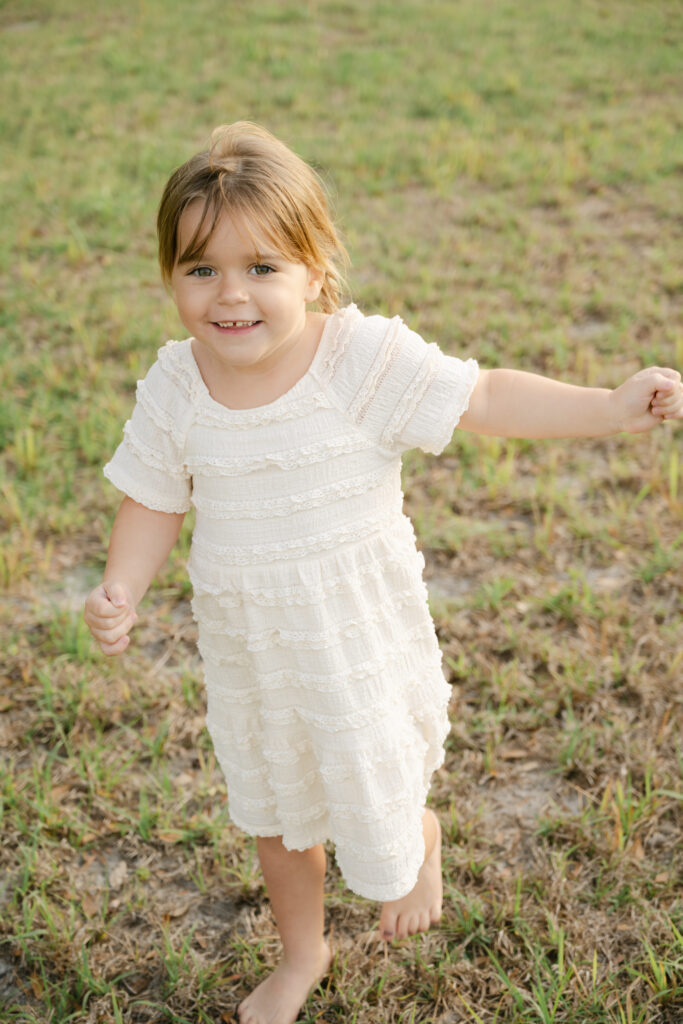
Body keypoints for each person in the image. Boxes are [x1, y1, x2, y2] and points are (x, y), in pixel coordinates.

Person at [83, 121, 683, 1024]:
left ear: (315, 271)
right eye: (201, 269)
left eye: (261, 269)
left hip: (357, 629)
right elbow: (154, 499)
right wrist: (122, 585)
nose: (230, 296)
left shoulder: (359, 359)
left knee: (376, 781)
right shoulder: (178, 384)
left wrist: (606, 407)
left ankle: (417, 839)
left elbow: (480, 395)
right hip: (255, 646)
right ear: (169, 275)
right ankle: (302, 952)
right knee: (277, 810)